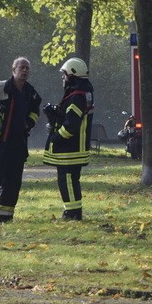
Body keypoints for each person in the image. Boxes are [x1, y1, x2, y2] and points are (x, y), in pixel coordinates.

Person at [0, 57, 42, 224]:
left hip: (18, 145)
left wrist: (29, 123)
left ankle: (5, 216)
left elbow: (35, 110)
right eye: (22, 68)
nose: (25, 71)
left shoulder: (31, 92)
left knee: (13, 183)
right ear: (13, 70)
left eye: (27, 68)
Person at [44, 57, 94, 220]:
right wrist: (56, 113)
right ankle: (71, 211)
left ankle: (73, 213)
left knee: (67, 181)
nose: (63, 78)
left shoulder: (76, 96)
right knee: (69, 180)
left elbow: (72, 125)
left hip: (70, 148)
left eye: (64, 74)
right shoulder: (80, 94)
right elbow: (70, 116)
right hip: (74, 147)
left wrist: (56, 137)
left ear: (72, 75)